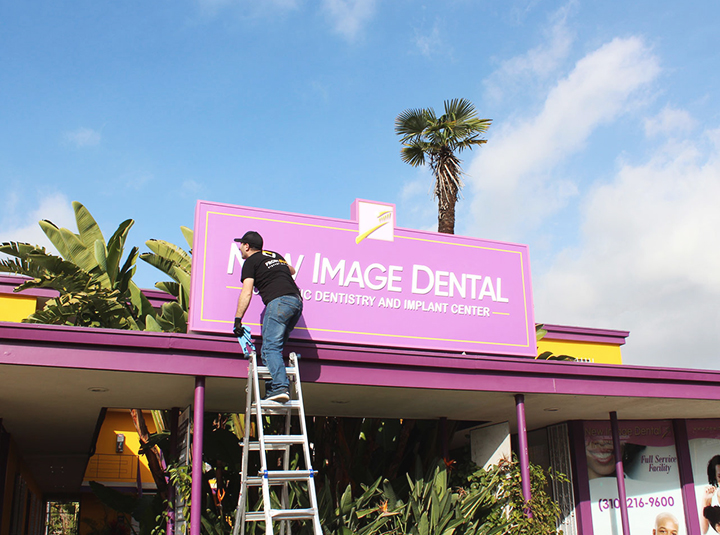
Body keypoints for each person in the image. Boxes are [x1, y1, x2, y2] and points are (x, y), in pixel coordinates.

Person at [233, 231, 303, 403]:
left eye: (241, 245)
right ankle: (274, 391)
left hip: (279, 302)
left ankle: (280, 387)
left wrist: (237, 320)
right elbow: (292, 270)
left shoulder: (250, 262)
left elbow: (247, 292)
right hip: (296, 302)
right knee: (272, 349)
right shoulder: (274, 255)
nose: (240, 248)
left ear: (247, 246)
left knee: (270, 348)